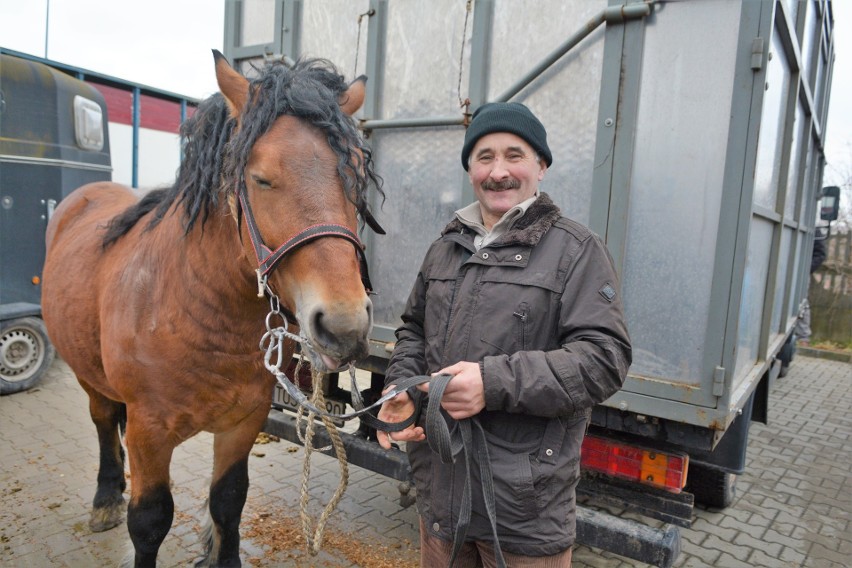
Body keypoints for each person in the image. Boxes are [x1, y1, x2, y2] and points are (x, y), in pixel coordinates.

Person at [376, 102, 632, 567]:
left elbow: (604, 358)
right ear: (470, 169)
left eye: (514, 155)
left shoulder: (576, 251)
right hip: (440, 493)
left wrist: (491, 384)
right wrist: (402, 388)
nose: (499, 172)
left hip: (523, 509)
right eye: (484, 157)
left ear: (541, 166)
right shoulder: (445, 248)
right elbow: (413, 330)